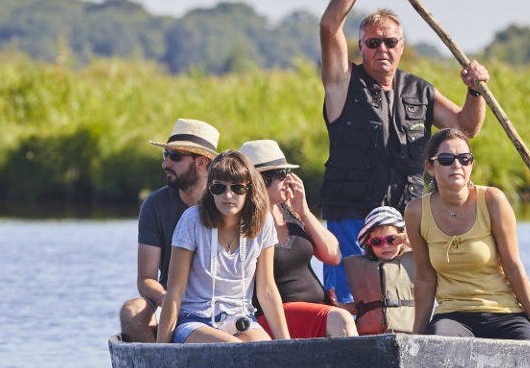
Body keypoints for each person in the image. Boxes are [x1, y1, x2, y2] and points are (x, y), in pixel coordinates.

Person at [318, 0, 492, 305]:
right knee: (351, 305)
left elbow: (466, 128)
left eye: (390, 42)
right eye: (373, 42)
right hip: (351, 217)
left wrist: (475, 91)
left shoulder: (421, 90)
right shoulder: (342, 83)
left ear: (402, 47)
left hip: (404, 219)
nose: (382, 48)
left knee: (406, 304)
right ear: (361, 47)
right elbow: (329, 26)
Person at [407, 128, 530, 341]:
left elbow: (513, 266)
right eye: (446, 159)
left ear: (471, 164)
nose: (456, 166)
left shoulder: (492, 200)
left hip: (505, 313)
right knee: (438, 344)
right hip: (452, 317)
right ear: (430, 167)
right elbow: (424, 279)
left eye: (464, 158)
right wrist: (416, 337)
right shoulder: (416, 211)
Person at [156, 151, 290, 344]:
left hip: (241, 320)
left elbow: (267, 290)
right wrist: (162, 350)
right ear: (210, 189)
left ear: (249, 189)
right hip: (194, 321)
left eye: (237, 188)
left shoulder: (263, 221)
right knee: (232, 347)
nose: (228, 195)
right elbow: (175, 291)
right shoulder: (192, 219)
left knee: (265, 351)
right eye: (219, 187)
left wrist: (286, 345)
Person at [239, 139, 357, 339]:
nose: (289, 180)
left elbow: (333, 256)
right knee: (343, 320)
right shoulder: (246, 224)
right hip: (275, 314)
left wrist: (305, 212)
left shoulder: (290, 211)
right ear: (260, 181)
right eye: (281, 174)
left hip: (317, 310)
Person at [120, 119, 219, 343]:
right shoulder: (155, 204)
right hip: (169, 297)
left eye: (174, 157)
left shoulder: (226, 202)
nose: (165, 164)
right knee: (132, 313)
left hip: (216, 300)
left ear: (201, 163)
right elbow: (146, 278)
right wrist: (168, 300)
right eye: (165, 155)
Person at [344, 205, 419, 335]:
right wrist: (340, 307)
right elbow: (362, 307)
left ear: (401, 237)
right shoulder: (362, 268)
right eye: (377, 241)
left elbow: (433, 254)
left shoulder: (416, 259)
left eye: (391, 239)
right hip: (371, 335)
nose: (385, 245)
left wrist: (409, 240)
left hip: (409, 332)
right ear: (368, 243)